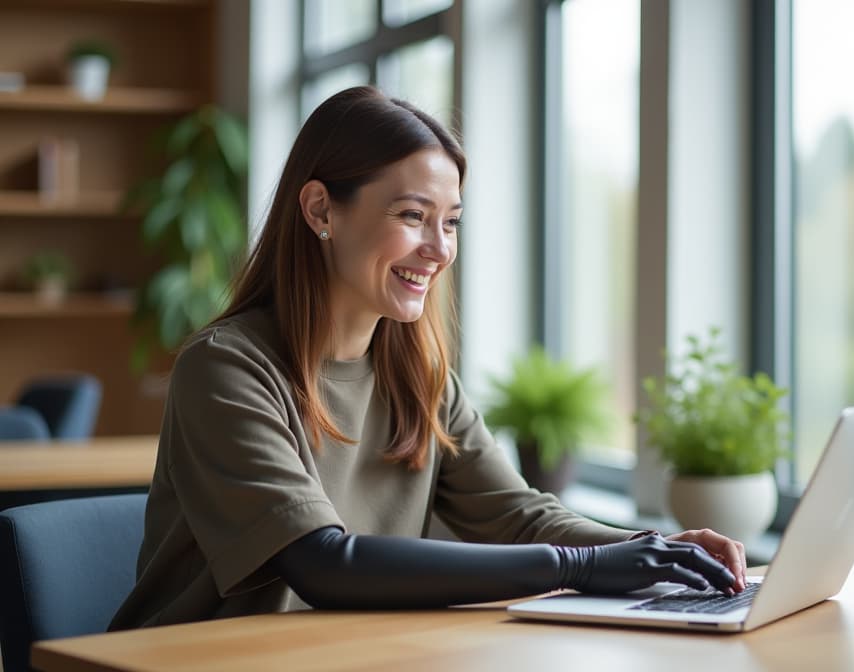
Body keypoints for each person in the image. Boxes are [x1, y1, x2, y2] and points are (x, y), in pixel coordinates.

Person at [108, 86, 747, 630]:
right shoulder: (226, 369)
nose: (438, 249)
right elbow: (323, 563)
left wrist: (656, 549)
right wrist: (580, 567)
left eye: (452, 222)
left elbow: (516, 517)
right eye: (413, 215)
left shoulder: (417, 374)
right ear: (320, 208)